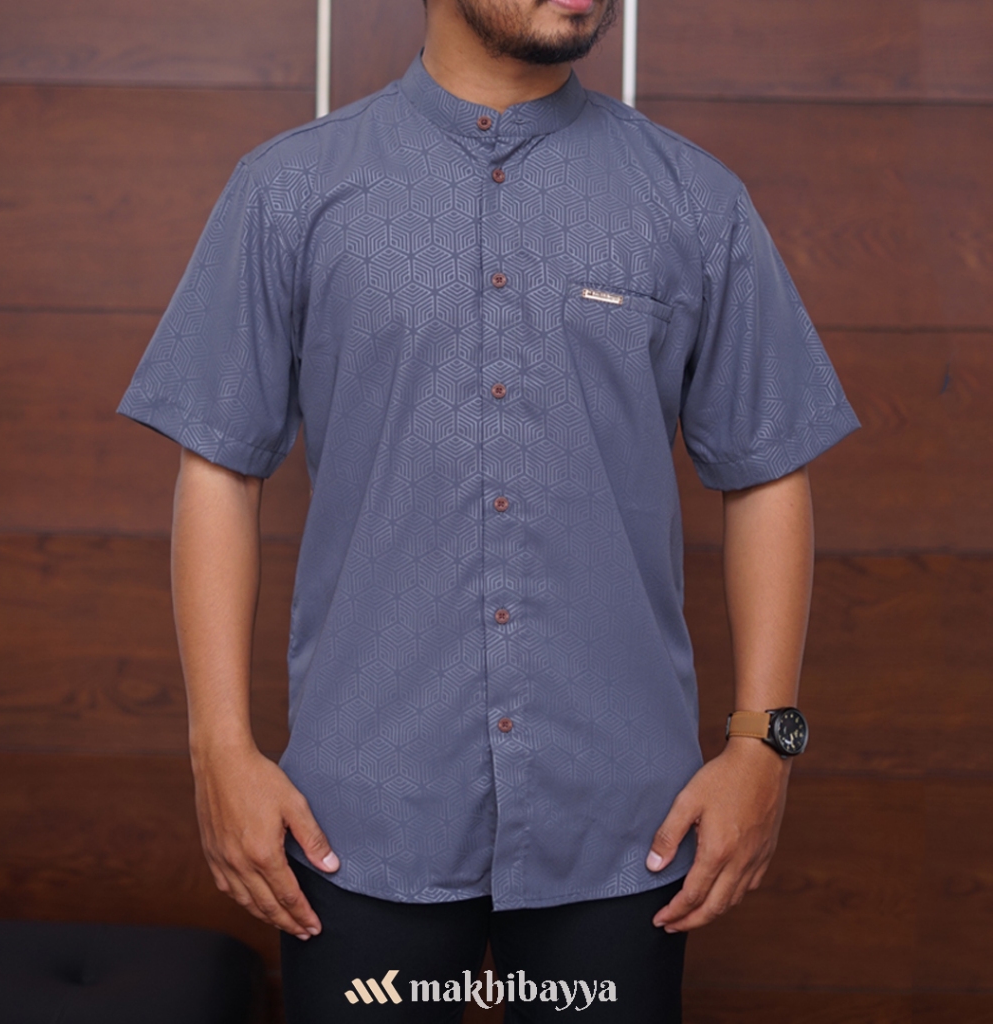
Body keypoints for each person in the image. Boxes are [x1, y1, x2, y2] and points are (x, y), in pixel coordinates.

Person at [118, 0, 859, 1019]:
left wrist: (763, 745)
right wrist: (220, 750)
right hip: (358, 814)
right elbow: (218, 471)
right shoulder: (288, 190)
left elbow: (766, 470)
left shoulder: (694, 200)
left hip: (623, 822)